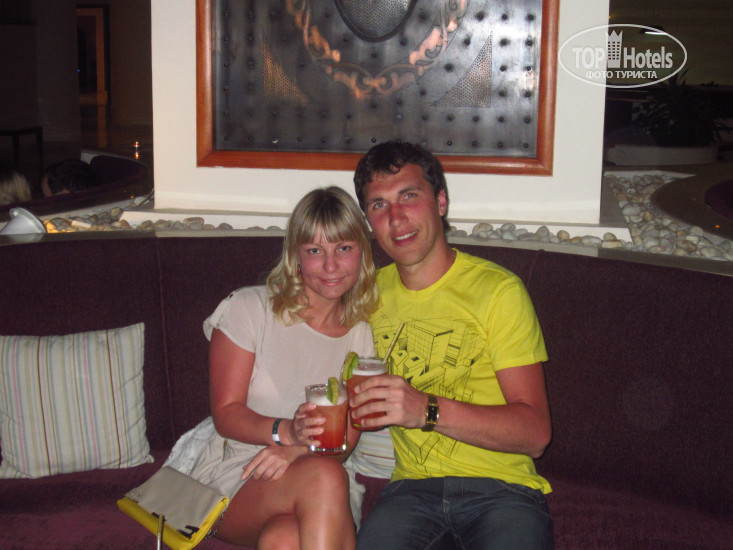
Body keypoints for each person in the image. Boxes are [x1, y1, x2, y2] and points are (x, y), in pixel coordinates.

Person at [350, 141, 554, 549]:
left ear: (440, 202)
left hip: (502, 491)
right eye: (378, 205)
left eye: (409, 195)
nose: (396, 217)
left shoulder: (498, 291)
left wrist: (424, 409)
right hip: (410, 493)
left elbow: (535, 434)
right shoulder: (365, 296)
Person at [183, 186, 379, 550]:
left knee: (284, 539)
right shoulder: (250, 308)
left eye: (344, 248)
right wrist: (287, 432)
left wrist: (298, 452)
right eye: (315, 250)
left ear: (362, 253)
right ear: (296, 256)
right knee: (323, 477)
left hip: (322, 475)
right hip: (240, 470)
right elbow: (226, 414)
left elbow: (345, 442)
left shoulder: (360, 336)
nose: (331, 266)